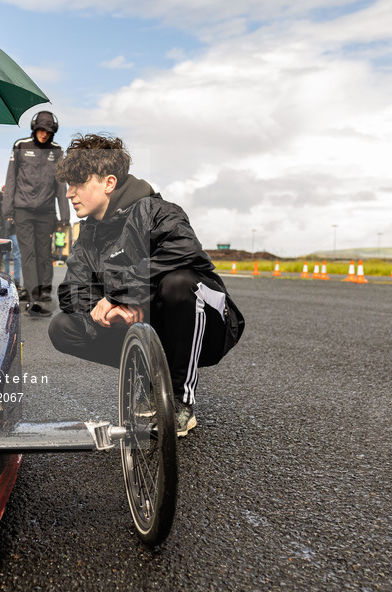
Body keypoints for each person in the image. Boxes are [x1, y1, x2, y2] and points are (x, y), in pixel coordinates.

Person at [49, 134, 245, 436]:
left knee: (181, 283)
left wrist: (121, 296)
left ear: (109, 183)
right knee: (62, 326)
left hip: (205, 326)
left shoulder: (158, 211)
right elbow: (72, 290)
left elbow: (187, 253)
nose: (69, 194)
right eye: (67, 186)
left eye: (78, 183)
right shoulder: (88, 235)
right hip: (145, 329)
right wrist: (102, 311)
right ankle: (149, 375)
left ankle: (180, 400)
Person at [4, 110, 70, 317]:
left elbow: (61, 184)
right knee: (28, 254)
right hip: (23, 209)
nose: (44, 134)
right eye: (41, 130)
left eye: (48, 131)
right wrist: (8, 209)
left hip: (47, 211)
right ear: (34, 128)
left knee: (44, 254)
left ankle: (44, 292)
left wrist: (65, 216)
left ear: (53, 131)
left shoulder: (57, 151)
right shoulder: (20, 145)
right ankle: (33, 296)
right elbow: (11, 178)